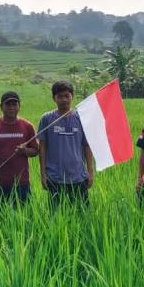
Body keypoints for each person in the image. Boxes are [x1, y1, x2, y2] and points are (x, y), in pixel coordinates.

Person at [38, 80, 95, 208]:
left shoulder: (81, 118)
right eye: (60, 96)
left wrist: (90, 172)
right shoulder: (46, 119)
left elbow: (87, 146)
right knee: (56, 215)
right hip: (54, 177)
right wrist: (43, 174)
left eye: (66, 96)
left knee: (82, 215)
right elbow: (42, 148)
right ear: (54, 98)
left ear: (72, 96)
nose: (64, 100)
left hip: (78, 176)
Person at [0, 91, 39, 208]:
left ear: (19, 106)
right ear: (1, 107)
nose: (12, 108)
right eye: (8, 104)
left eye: (14, 104)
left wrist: (25, 151)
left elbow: (35, 151)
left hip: (21, 182)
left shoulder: (27, 126)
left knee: (22, 219)